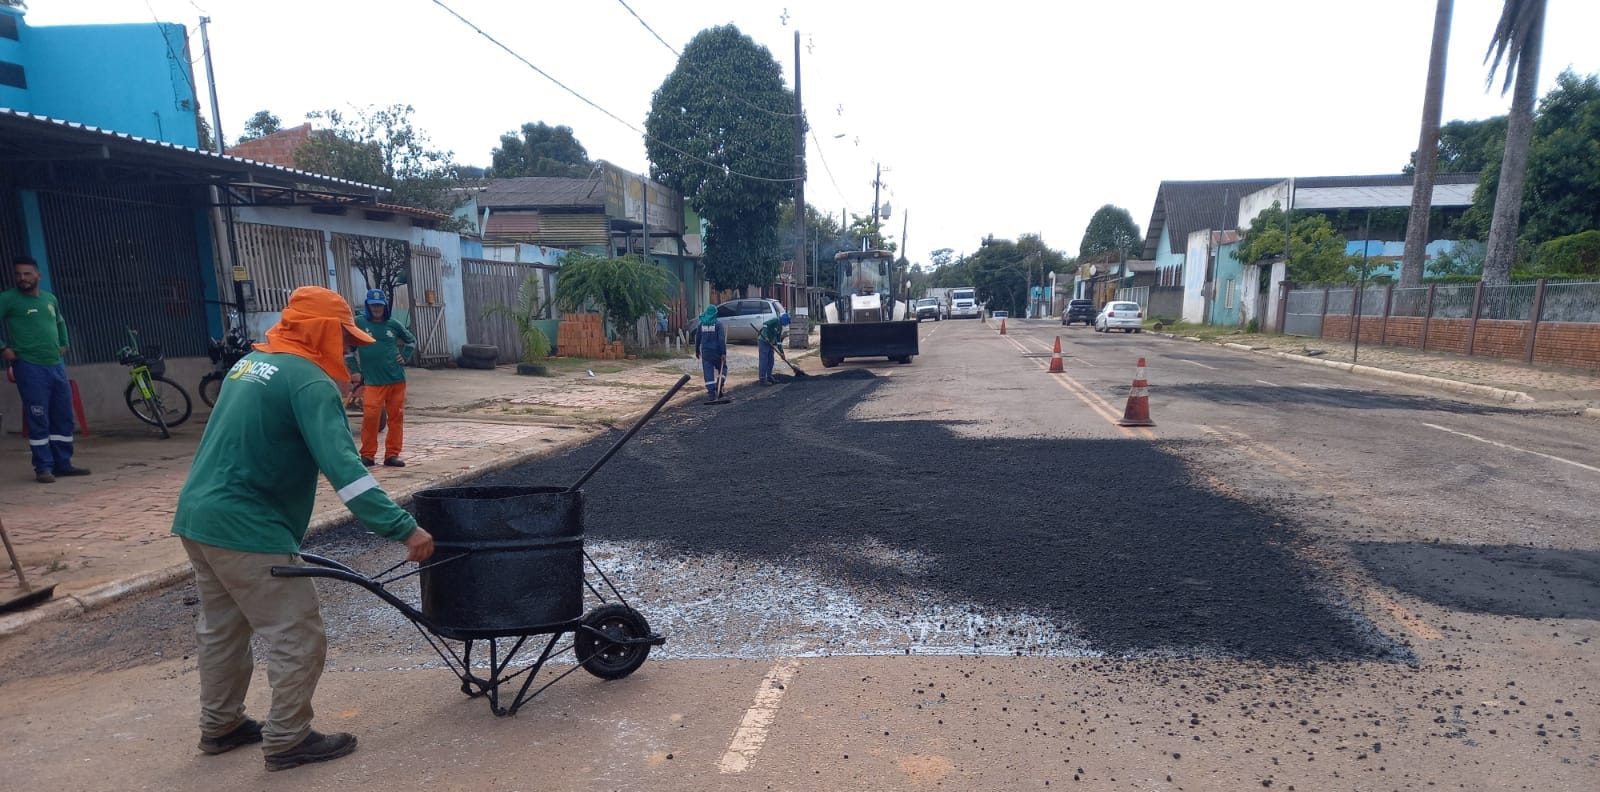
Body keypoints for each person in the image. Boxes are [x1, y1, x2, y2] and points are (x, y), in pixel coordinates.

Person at [170, 285, 434, 772]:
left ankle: (221, 725)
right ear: (318, 331)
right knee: (298, 633)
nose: (352, 347)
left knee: (223, 630)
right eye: (344, 337)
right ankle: (289, 739)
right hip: (248, 526)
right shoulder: (309, 382)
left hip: (198, 517)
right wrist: (403, 528)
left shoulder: (249, 365)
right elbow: (346, 473)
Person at [0, 256, 89, 483]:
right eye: (18, 274)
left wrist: (64, 343)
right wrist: (4, 348)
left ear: (38, 275)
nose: (22, 278)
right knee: (38, 416)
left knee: (63, 416)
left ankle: (63, 464)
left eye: (27, 274)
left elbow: (60, 322)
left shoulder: (50, 299)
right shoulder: (8, 299)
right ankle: (43, 467)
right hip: (29, 366)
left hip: (55, 365)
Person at [352, 288, 415, 468]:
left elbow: (411, 340)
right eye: (373, 305)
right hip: (372, 381)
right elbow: (348, 349)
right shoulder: (358, 323)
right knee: (371, 417)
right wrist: (354, 370)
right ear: (368, 306)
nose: (377, 309)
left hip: (396, 379)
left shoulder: (393, 324)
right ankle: (368, 455)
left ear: (385, 306)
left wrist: (406, 355)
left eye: (380, 305)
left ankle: (392, 455)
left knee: (396, 418)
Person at [691, 305, 726, 402]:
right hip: (717, 352)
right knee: (723, 368)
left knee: (708, 372)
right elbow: (721, 339)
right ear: (715, 314)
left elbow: (697, 338)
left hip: (706, 352)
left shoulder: (701, 324)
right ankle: (720, 383)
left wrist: (697, 350)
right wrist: (723, 353)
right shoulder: (718, 324)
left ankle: (711, 393)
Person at [756, 312, 790, 385]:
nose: (786, 324)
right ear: (784, 320)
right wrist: (765, 335)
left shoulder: (780, 327)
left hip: (770, 343)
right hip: (763, 341)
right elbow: (765, 324)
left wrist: (782, 353)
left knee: (771, 360)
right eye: (786, 322)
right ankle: (762, 379)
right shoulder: (775, 320)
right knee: (764, 360)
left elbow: (778, 341)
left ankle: (769, 376)